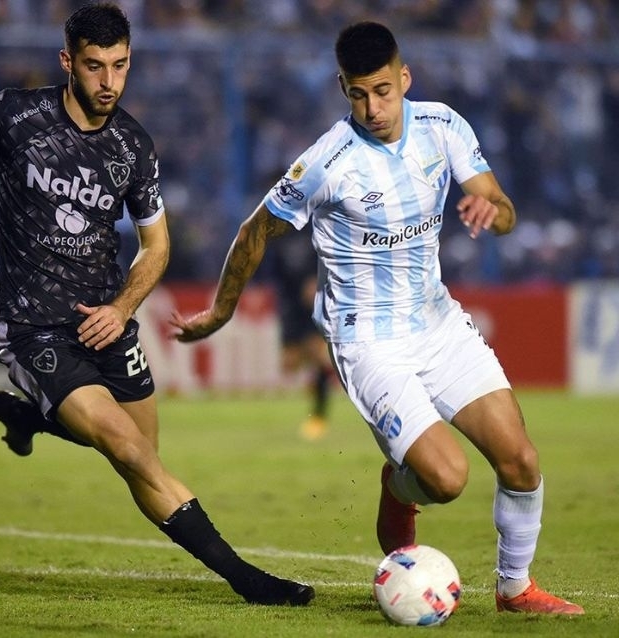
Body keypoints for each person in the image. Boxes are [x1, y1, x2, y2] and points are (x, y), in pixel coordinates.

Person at [0, 3, 313, 606]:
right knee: (128, 449)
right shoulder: (17, 115)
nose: (109, 81)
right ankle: (247, 579)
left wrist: (123, 308)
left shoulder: (133, 146)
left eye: (120, 66)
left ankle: (31, 418)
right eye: (95, 66)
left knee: (142, 455)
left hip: (107, 321)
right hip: (33, 328)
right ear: (67, 62)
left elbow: (156, 246)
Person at [170, 21, 583, 615]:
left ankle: (515, 588)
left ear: (404, 78)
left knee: (521, 461)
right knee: (446, 479)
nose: (373, 108)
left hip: (437, 322)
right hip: (367, 341)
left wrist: (491, 211)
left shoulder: (442, 127)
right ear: (343, 88)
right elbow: (253, 232)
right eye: (359, 94)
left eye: (383, 91)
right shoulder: (326, 161)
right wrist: (219, 312)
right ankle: (400, 484)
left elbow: (505, 210)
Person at [268, 226, 333, 440]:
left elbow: (328, 255)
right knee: (290, 362)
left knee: (317, 355)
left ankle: (319, 416)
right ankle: (301, 415)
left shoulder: (315, 226)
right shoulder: (280, 231)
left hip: (312, 301)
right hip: (289, 304)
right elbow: (275, 269)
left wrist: (318, 281)